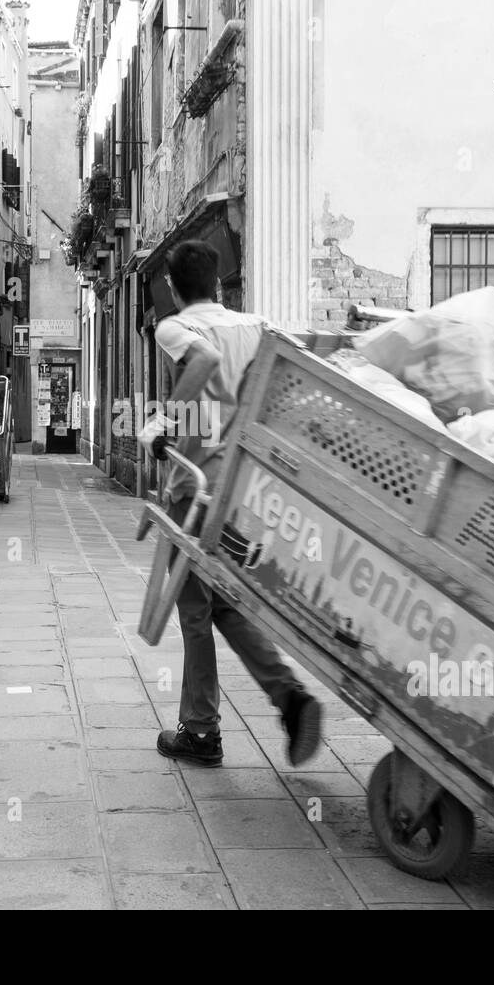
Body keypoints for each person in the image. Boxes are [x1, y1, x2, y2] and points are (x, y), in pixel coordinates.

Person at [137, 239, 322, 768]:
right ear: (218, 284)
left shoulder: (176, 328)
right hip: (243, 493)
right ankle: (289, 697)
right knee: (224, 604)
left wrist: (162, 423)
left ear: (172, 287)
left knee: (195, 610)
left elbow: (205, 358)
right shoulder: (256, 326)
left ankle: (200, 731)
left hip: (194, 492)